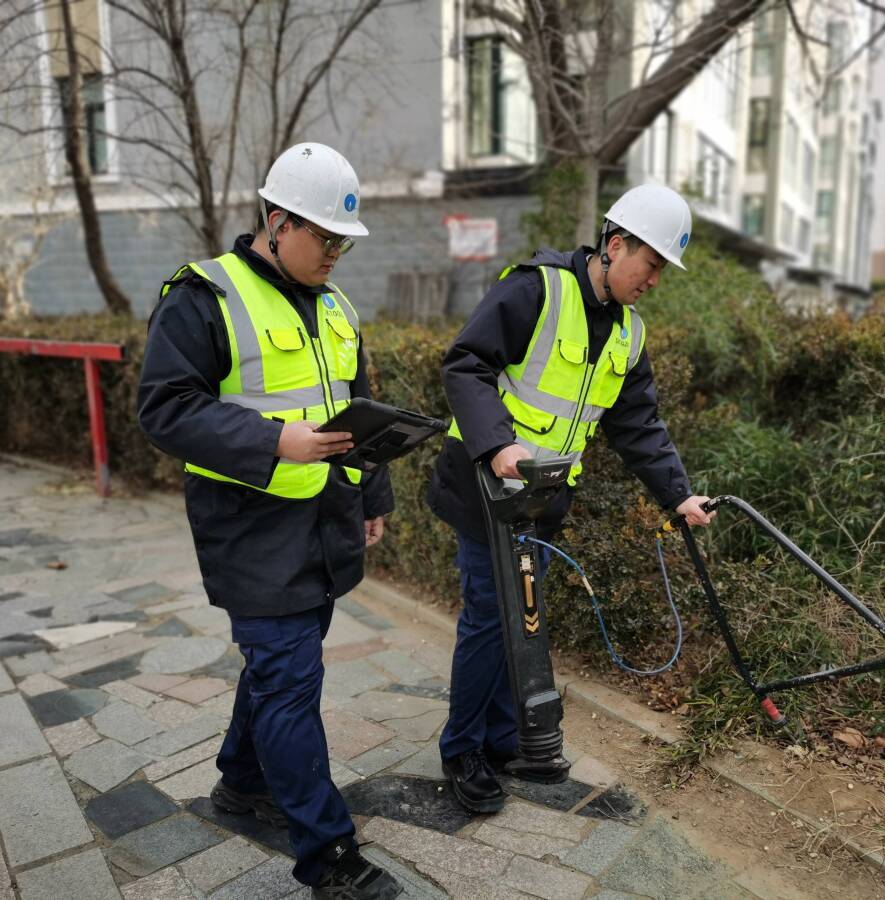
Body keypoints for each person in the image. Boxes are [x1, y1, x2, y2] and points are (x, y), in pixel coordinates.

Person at [137, 142, 401, 900]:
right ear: (278, 221)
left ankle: (241, 782)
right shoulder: (205, 296)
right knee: (290, 683)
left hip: (324, 518)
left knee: (280, 668)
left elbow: (353, 408)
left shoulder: (336, 307)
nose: (336, 254)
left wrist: (372, 495)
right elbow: (163, 409)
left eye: (345, 241)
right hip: (249, 529)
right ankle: (329, 856)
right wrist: (272, 440)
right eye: (325, 237)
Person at [426, 183, 716, 814]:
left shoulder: (628, 334)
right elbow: (465, 363)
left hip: (539, 504)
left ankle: (505, 739)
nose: (654, 281)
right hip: (485, 488)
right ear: (616, 245)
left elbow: (638, 426)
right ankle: (463, 750)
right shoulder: (536, 290)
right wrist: (496, 445)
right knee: (492, 617)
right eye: (651, 264)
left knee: (523, 617)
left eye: (662, 271)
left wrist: (679, 497)